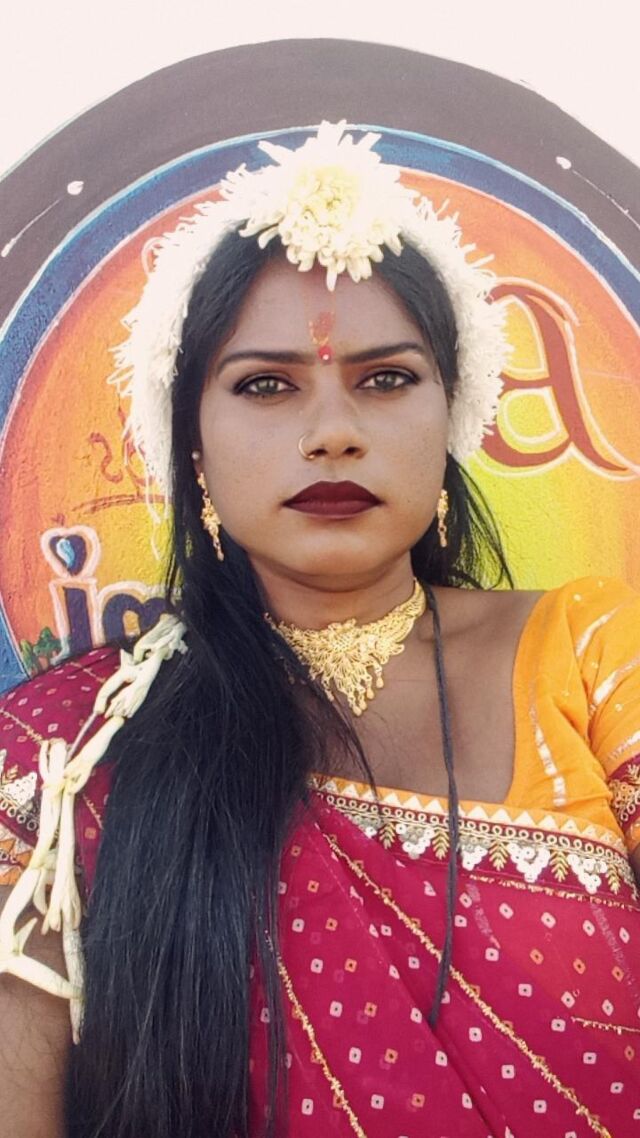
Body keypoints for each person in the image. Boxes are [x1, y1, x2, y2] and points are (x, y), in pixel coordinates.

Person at [0, 121, 639, 1138]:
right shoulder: (66, 754)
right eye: (266, 384)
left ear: (450, 418)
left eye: (386, 379)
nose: (334, 431)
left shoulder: (596, 653)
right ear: (193, 448)